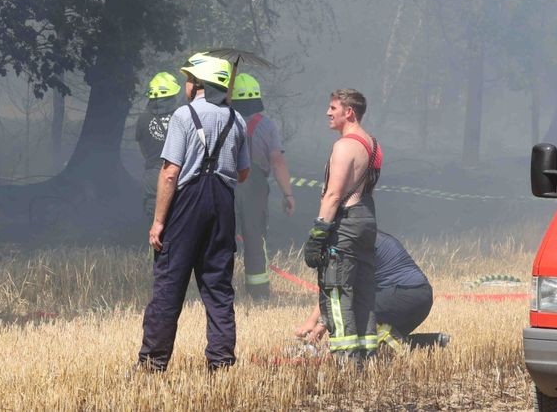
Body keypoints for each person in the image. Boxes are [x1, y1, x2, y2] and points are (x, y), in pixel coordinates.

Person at [138, 53, 250, 372]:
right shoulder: (237, 120)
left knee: (169, 285)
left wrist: (158, 222)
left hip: (187, 203)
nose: (186, 84)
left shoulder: (184, 116)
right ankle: (222, 363)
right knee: (218, 288)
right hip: (223, 205)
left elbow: (170, 172)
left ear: (198, 84)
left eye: (189, 79)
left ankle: (153, 362)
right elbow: (243, 174)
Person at [303, 88, 381, 362]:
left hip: (345, 221)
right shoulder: (372, 144)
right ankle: (367, 356)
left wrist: (318, 233)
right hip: (366, 219)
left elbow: (334, 194)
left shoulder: (344, 146)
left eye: (332, 108)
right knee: (362, 290)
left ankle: (347, 360)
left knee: (337, 290)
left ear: (349, 112)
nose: (328, 112)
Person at [295, 230, 449, 351]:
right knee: (374, 346)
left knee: (349, 319)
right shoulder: (357, 235)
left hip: (405, 293)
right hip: (419, 295)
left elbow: (341, 295)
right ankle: (432, 342)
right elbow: (332, 289)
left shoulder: (349, 246)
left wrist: (318, 329)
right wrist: (310, 322)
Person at [231, 72, 295, 301]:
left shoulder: (223, 119)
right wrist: (288, 194)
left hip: (225, 183)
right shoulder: (266, 125)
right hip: (254, 187)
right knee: (254, 237)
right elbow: (277, 161)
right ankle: (258, 294)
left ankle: (219, 290)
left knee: (221, 237)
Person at [135, 72, 181, 216]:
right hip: (180, 174)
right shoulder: (182, 116)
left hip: (153, 176)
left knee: (154, 223)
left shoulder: (143, 119)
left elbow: (142, 147)